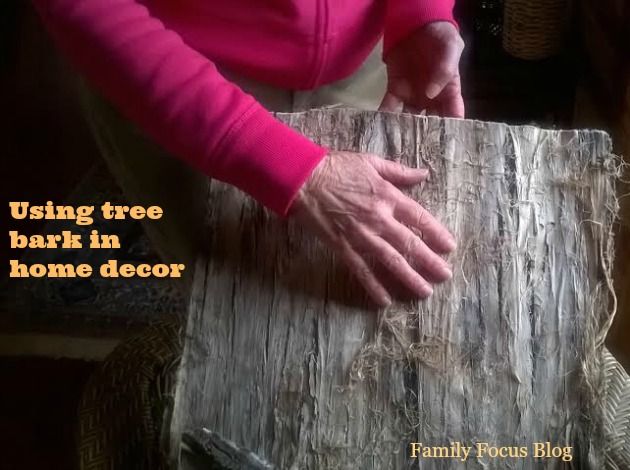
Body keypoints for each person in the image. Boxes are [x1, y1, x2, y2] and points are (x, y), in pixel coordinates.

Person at [32, 0, 465, 307]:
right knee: (230, 295)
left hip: (375, 55)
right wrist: (278, 161)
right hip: (180, 81)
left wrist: (419, 11)